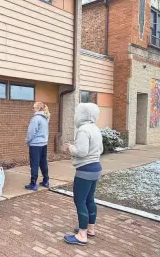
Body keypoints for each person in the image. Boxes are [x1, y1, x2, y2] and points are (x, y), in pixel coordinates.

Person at [63, 103, 103, 246]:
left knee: (80, 201)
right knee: (89, 199)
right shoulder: (95, 129)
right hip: (96, 168)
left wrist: (70, 147)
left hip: (85, 170)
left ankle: (81, 235)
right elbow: (101, 149)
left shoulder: (83, 130)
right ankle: (90, 228)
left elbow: (81, 152)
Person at [25, 102, 50, 191]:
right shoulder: (45, 118)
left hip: (35, 145)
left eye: (33, 107)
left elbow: (31, 132)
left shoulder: (36, 119)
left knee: (34, 164)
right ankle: (46, 181)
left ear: (38, 108)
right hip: (44, 144)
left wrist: (27, 141)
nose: (32, 109)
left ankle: (33, 184)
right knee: (43, 163)